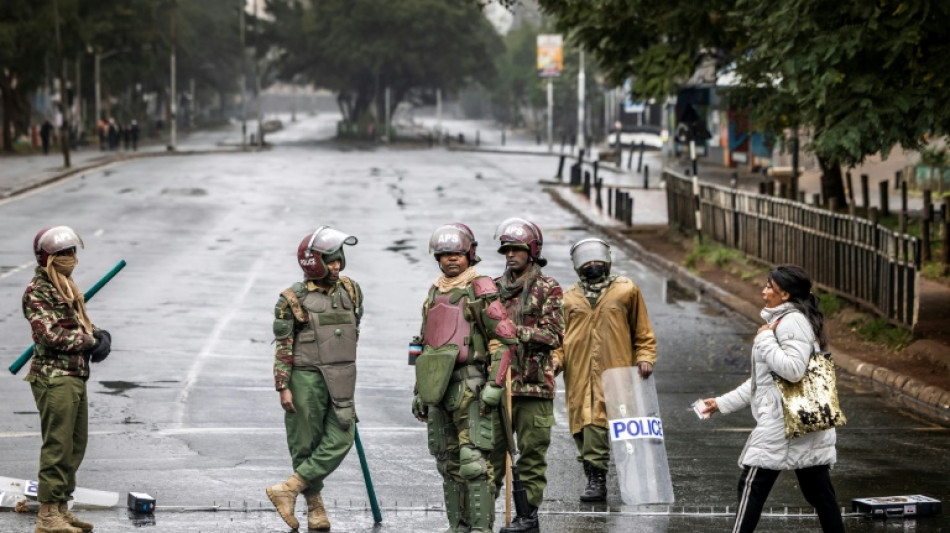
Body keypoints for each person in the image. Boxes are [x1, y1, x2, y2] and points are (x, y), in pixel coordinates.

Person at [701, 265, 844, 533]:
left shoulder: (790, 323)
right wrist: (721, 403)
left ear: (785, 294)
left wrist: (765, 338)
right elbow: (764, 382)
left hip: (783, 423)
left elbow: (792, 370)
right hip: (802, 420)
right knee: (821, 496)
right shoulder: (790, 321)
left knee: (751, 486)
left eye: (770, 286)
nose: (764, 290)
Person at [411, 223, 519, 533]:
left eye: (457, 253)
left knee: (473, 463)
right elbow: (422, 343)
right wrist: (419, 391)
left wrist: (495, 385)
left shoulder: (480, 287)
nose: (451, 260)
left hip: (470, 384)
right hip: (437, 387)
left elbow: (505, 339)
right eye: (444, 255)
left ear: (469, 254)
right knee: (448, 463)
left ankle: (480, 529)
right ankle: (456, 526)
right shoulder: (434, 291)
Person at [266, 226, 363, 531]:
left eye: (338, 260)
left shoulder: (351, 290)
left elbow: (353, 328)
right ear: (315, 263)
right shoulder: (292, 299)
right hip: (305, 380)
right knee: (305, 445)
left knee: (342, 437)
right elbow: (284, 347)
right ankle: (315, 508)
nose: (336, 266)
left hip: (342, 377)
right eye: (330, 261)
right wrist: (283, 386)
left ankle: (290, 487)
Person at [553, 238, 657, 502]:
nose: (593, 264)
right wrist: (554, 361)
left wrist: (645, 356)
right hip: (579, 376)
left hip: (617, 373)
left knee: (610, 426)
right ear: (577, 266)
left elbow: (642, 331)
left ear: (608, 261)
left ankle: (604, 479)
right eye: (586, 260)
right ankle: (594, 476)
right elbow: (559, 340)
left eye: (597, 258)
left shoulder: (626, 290)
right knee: (583, 428)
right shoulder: (568, 298)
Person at [23, 226, 111, 533]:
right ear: (48, 258)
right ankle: (47, 515)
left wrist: (100, 335)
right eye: (64, 253)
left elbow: (78, 323)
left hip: (74, 375)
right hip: (53, 377)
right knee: (57, 446)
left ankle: (61, 507)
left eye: (73, 252)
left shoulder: (66, 287)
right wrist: (89, 342)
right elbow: (50, 334)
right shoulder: (38, 292)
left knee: (75, 445)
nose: (71, 258)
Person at [488, 218, 563, 533]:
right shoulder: (491, 288)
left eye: (517, 249)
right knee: (488, 457)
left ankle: (527, 517)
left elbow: (553, 335)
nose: (510, 255)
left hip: (533, 387)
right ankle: (480, 516)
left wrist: (513, 331)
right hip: (498, 385)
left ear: (532, 252)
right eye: (506, 250)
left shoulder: (549, 288)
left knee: (531, 457)